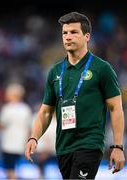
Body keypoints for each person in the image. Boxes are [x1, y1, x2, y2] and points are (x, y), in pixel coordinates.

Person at [25, 12, 125, 179]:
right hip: (63, 147)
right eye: (65, 33)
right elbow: (46, 112)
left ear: (87, 36)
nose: (68, 37)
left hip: (89, 144)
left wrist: (118, 147)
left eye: (74, 32)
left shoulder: (102, 68)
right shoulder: (55, 71)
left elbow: (116, 108)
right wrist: (33, 138)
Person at [0, 83, 32, 179]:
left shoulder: (7, 108)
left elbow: (1, 125)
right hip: (21, 144)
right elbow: (28, 128)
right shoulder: (26, 109)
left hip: (9, 145)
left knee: (10, 169)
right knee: (18, 168)